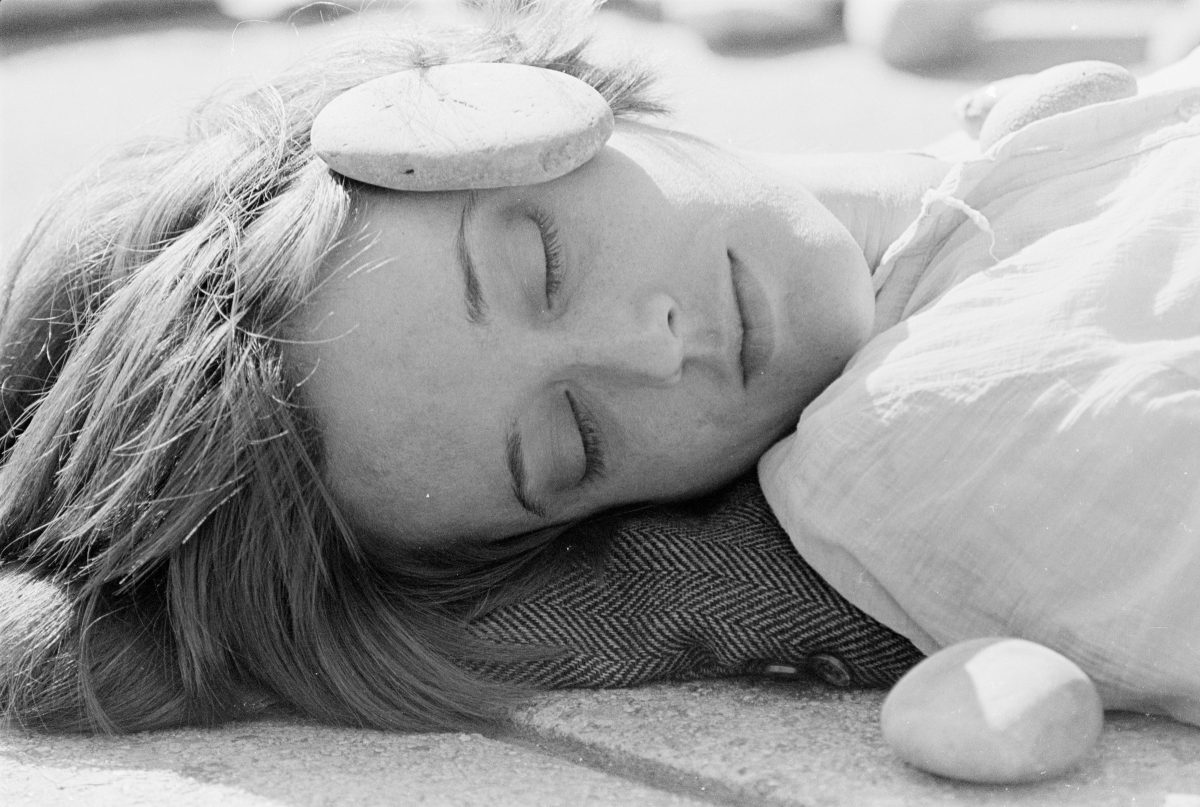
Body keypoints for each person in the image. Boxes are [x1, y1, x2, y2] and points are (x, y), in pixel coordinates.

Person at [2, 0, 1197, 736]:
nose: (655, 351)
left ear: (506, 106)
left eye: (540, 260)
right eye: (574, 445)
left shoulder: (1026, 153)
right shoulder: (942, 441)